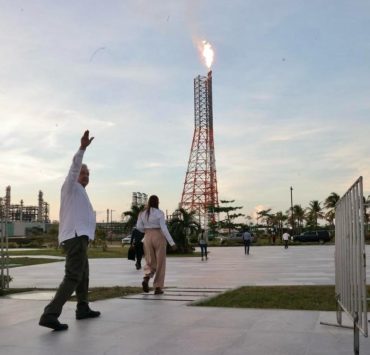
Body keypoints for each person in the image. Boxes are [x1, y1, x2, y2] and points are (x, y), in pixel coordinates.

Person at [39, 130, 100, 331]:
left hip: (80, 238)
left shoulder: (81, 192)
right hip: (74, 238)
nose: (86, 176)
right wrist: (82, 148)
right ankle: (50, 314)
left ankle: (82, 308)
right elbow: (74, 167)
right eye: (83, 173)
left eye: (88, 174)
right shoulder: (70, 186)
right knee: (73, 276)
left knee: (84, 274)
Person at [136, 195, 176, 295]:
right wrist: (172, 242)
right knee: (160, 263)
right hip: (158, 236)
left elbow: (139, 227)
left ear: (148, 202)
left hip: (147, 237)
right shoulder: (159, 213)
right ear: (157, 202)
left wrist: (147, 230)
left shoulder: (142, 213)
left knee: (150, 261)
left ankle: (146, 278)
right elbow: (164, 228)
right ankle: (158, 287)